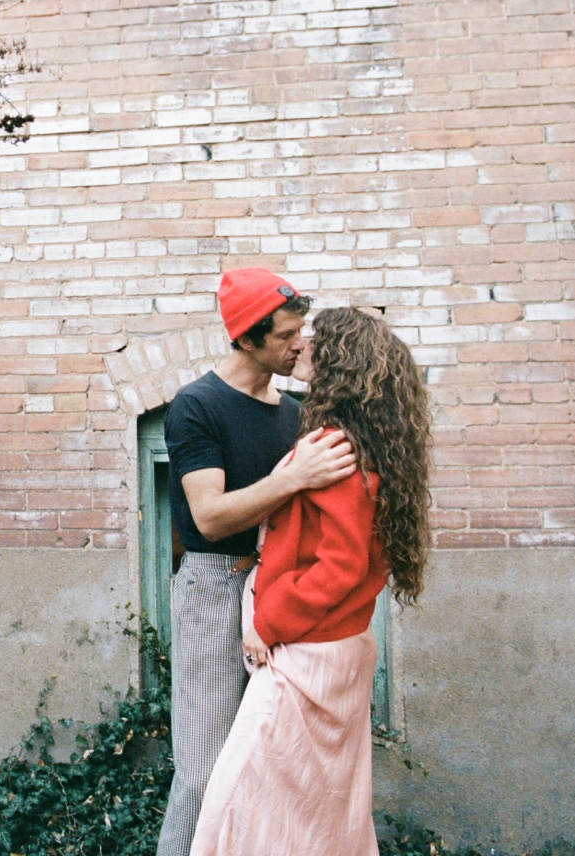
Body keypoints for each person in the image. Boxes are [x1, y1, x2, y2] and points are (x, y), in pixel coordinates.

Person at [189, 307, 432, 856]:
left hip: (308, 652)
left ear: (340, 363)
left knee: (237, 802)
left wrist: (267, 623)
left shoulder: (333, 447)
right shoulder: (360, 442)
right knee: (324, 811)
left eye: (314, 342)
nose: (301, 347)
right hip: (336, 646)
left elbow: (340, 565)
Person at [156, 268, 357, 856]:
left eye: (302, 331)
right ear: (246, 338)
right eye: (287, 334)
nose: (301, 344)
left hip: (280, 591)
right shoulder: (196, 406)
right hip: (216, 586)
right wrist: (290, 478)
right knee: (204, 772)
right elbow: (210, 516)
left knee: (269, 771)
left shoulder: (294, 413)